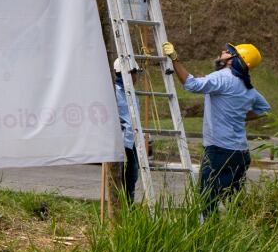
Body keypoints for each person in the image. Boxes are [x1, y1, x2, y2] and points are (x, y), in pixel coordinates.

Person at [163, 40, 270, 213]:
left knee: (207, 201)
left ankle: (206, 236)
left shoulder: (223, 77)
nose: (223, 51)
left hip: (219, 151)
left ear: (233, 60)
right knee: (233, 202)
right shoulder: (247, 86)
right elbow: (264, 109)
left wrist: (175, 59)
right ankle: (242, 235)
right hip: (240, 154)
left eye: (228, 51)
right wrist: (239, 116)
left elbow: (191, 85)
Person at [112, 55, 147, 204]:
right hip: (120, 139)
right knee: (120, 174)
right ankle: (120, 203)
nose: (136, 77)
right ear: (126, 73)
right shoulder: (114, 91)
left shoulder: (131, 93)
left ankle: (129, 203)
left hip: (132, 139)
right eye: (134, 73)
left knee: (132, 173)